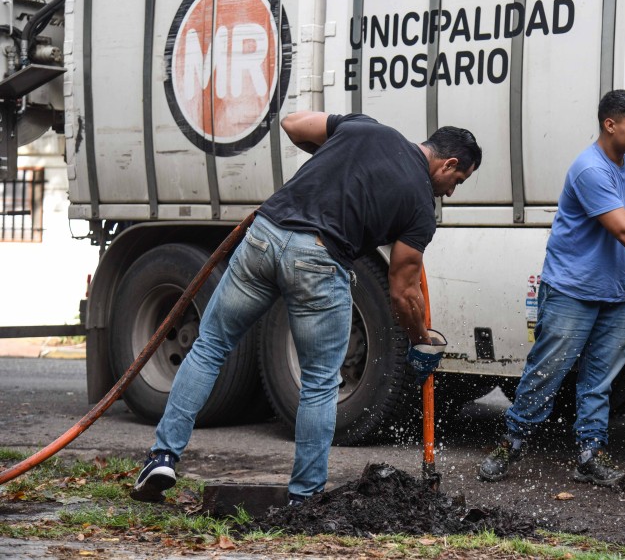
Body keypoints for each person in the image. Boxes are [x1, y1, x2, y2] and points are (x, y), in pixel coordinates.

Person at [130, 112, 482, 504]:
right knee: (318, 382)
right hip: (318, 260)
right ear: (449, 163)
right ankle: (305, 497)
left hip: (263, 237)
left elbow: (294, 124)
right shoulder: (420, 206)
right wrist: (421, 342)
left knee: (210, 346)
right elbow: (403, 292)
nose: (450, 192)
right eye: (458, 181)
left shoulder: (365, 127)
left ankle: (161, 457)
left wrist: (335, 152)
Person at [477, 89, 625, 487]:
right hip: (573, 290)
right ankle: (511, 443)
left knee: (600, 380)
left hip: (615, 294)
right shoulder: (591, 170)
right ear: (611, 124)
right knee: (547, 372)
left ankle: (590, 455)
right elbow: (622, 230)